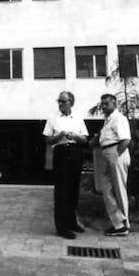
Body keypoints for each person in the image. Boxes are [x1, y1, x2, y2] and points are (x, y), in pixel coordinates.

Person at [43, 90, 89, 239]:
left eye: (63, 101)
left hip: (75, 152)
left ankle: (71, 222)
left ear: (71, 103)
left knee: (73, 188)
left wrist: (75, 136)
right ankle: (61, 227)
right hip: (61, 152)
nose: (60, 104)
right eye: (59, 101)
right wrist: (59, 136)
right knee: (61, 190)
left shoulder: (78, 117)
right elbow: (47, 140)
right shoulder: (53, 118)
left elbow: (84, 139)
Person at [95, 93, 132, 236]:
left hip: (116, 153)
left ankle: (124, 225)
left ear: (114, 104)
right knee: (106, 189)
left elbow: (126, 140)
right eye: (102, 104)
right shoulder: (108, 120)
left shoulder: (118, 118)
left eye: (106, 104)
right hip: (106, 154)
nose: (103, 106)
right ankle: (118, 223)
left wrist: (116, 156)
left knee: (119, 190)